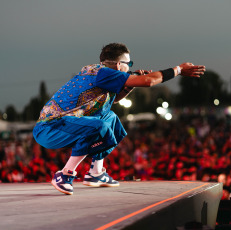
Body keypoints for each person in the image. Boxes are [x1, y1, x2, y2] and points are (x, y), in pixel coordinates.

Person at [33, 43, 206, 195]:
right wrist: (179, 70)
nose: (129, 67)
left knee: (111, 120)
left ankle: (96, 172)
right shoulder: (103, 73)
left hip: (64, 123)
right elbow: (148, 81)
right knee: (98, 126)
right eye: (128, 64)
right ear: (118, 65)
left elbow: (112, 100)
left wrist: (128, 86)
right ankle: (65, 174)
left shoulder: (98, 73)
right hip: (50, 129)